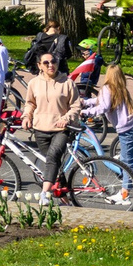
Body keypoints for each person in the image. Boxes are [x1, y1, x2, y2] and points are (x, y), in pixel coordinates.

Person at [22, 51, 79, 198]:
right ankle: (63, 196)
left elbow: (76, 106)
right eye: (46, 63)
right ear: (39, 65)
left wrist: (67, 118)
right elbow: (30, 103)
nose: (50, 65)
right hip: (40, 129)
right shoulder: (34, 83)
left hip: (61, 129)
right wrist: (27, 116)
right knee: (54, 165)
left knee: (53, 157)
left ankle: (44, 193)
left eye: (53, 61)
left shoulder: (67, 83)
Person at [86, 61, 133, 186]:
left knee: (126, 162)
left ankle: (126, 192)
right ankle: (129, 182)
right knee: (127, 157)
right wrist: (85, 102)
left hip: (128, 128)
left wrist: (86, 113)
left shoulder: (107, 88)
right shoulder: (119, 88)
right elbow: (101, 100)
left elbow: (104, 107)